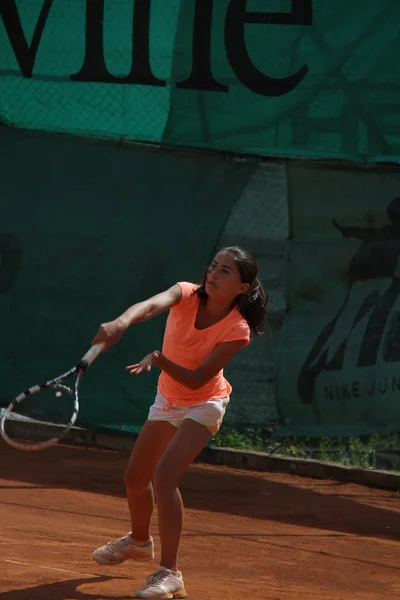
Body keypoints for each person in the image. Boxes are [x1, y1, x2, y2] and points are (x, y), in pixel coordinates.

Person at [91, 246, 267, 599]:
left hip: (205, 402)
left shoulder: (237, 328)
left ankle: (170, 573)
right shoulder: (185, 293)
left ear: (242, 287)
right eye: (214, 266)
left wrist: (158, 358)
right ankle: (139, 542)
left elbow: (199, 379)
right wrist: (122, 321)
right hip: (168, 401)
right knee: (134, 478)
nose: (214, 274)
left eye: (226, 271)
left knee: (165, 475)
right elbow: (151, 305)